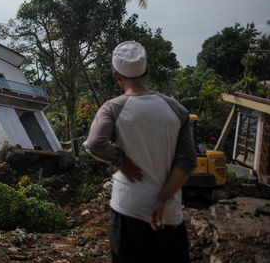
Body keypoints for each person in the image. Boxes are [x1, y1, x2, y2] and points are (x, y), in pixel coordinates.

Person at [83, 41, 196, 263]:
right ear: (147, 71)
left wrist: (120, 160)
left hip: (127, 208)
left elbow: (94, 143)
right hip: (168, 214)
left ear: (116, 75)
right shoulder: (176, 109)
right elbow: (187, 161)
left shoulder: (112, 108)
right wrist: (161, 199)